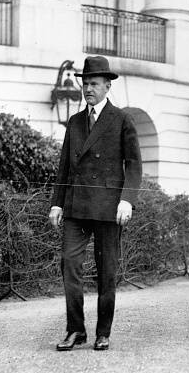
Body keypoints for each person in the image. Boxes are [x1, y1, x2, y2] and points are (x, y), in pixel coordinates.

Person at [49, 56, 142, 351]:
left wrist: (127, 200)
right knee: (69, 263)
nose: (88, 89)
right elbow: (64, 166)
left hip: (107, 207)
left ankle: (103, 331)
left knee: (107, 272)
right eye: (85, 83)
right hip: (76, 206)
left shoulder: (122, 120)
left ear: (107, 86)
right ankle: (76, 330)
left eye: (94, 84)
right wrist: (57, 203)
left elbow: (135, 165)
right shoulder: (75, 121)